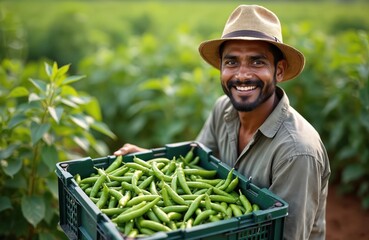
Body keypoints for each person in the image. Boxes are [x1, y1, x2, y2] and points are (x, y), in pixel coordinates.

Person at [114, 5, 331, 240]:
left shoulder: (297, 151)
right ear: (221, 68)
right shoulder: (224, 109)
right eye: (231, 62)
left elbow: (286, 236)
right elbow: (194, 167)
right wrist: (151, 164)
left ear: (278, 71)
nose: (242, 75)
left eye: (257, 62)